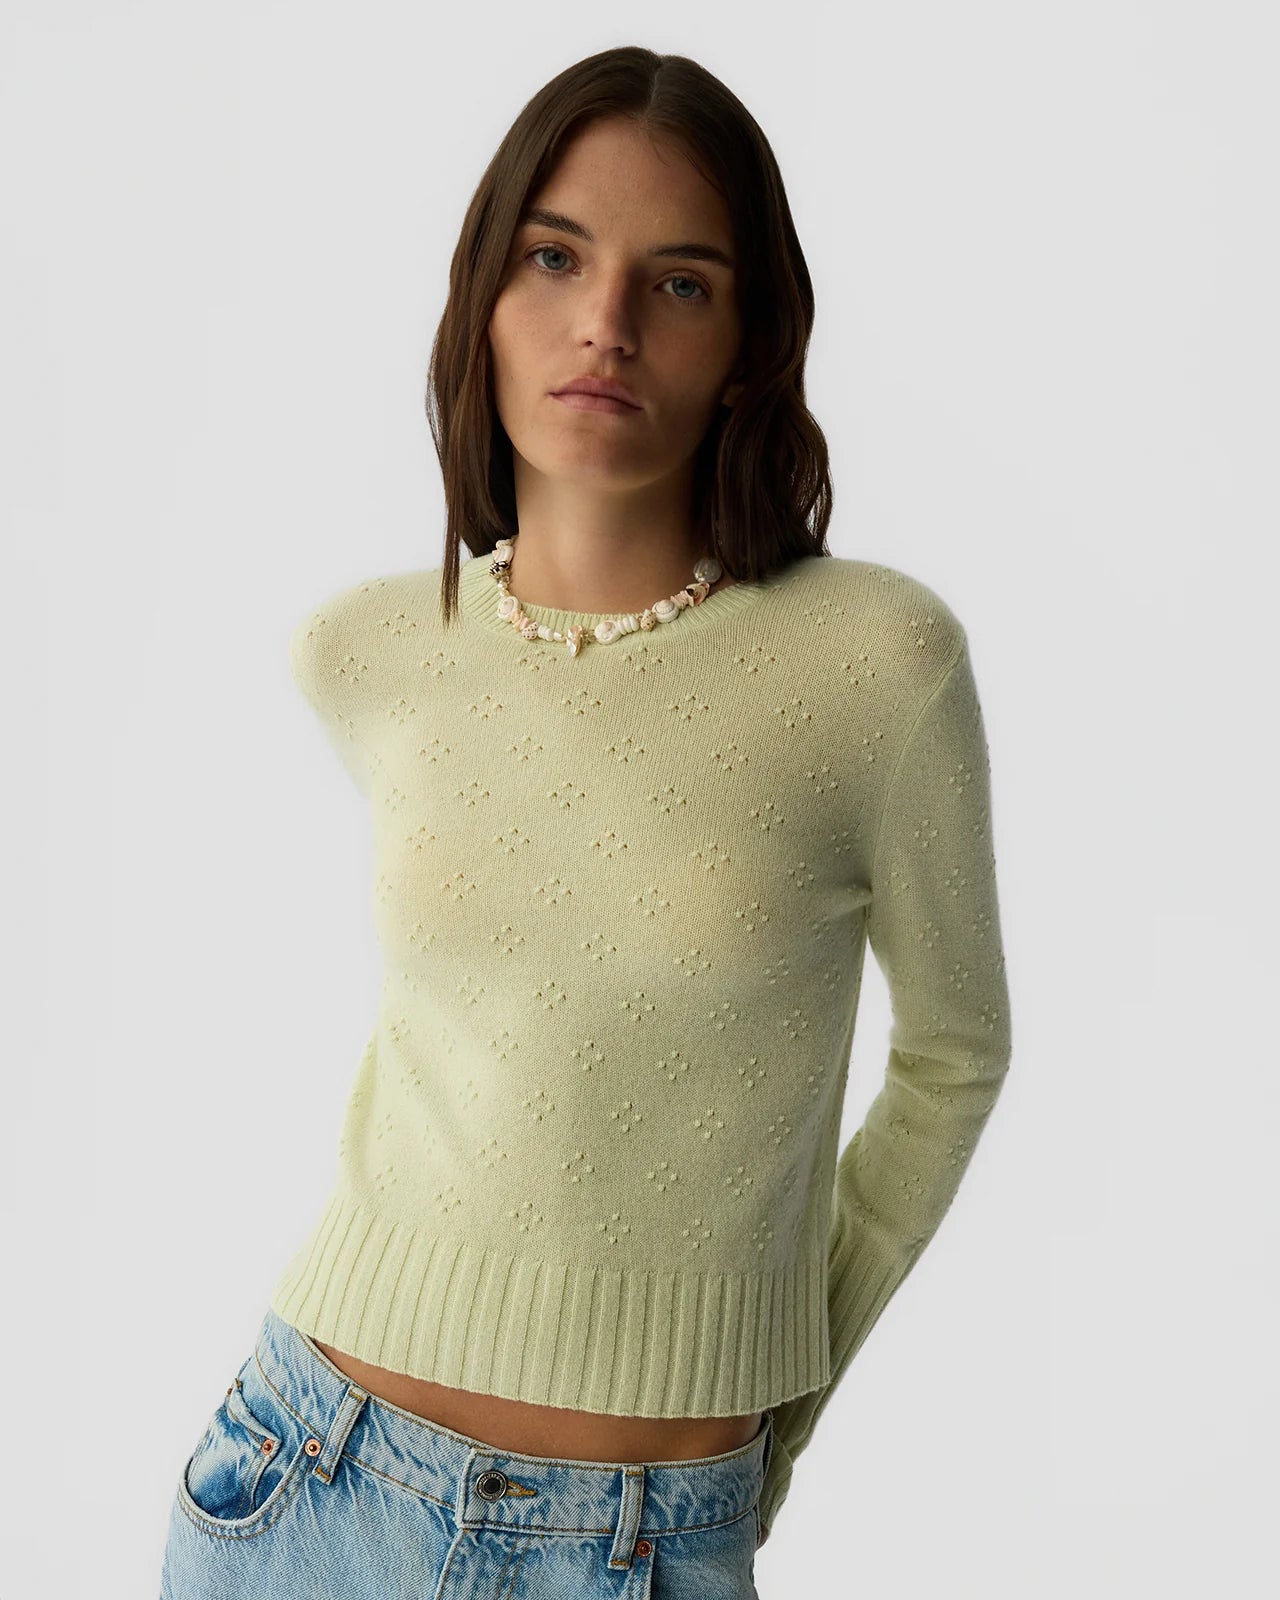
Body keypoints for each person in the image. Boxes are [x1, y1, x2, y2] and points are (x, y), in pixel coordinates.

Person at [160, 43, 1012, 1599]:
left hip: (642, 1538)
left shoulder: (876, 663)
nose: (604, 323)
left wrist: (780, 1403)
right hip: (307, 1480)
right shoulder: (364, 648)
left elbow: (957, 1055)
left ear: (749, 344)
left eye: (679, 282)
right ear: (484, 296)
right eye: (554, 258)